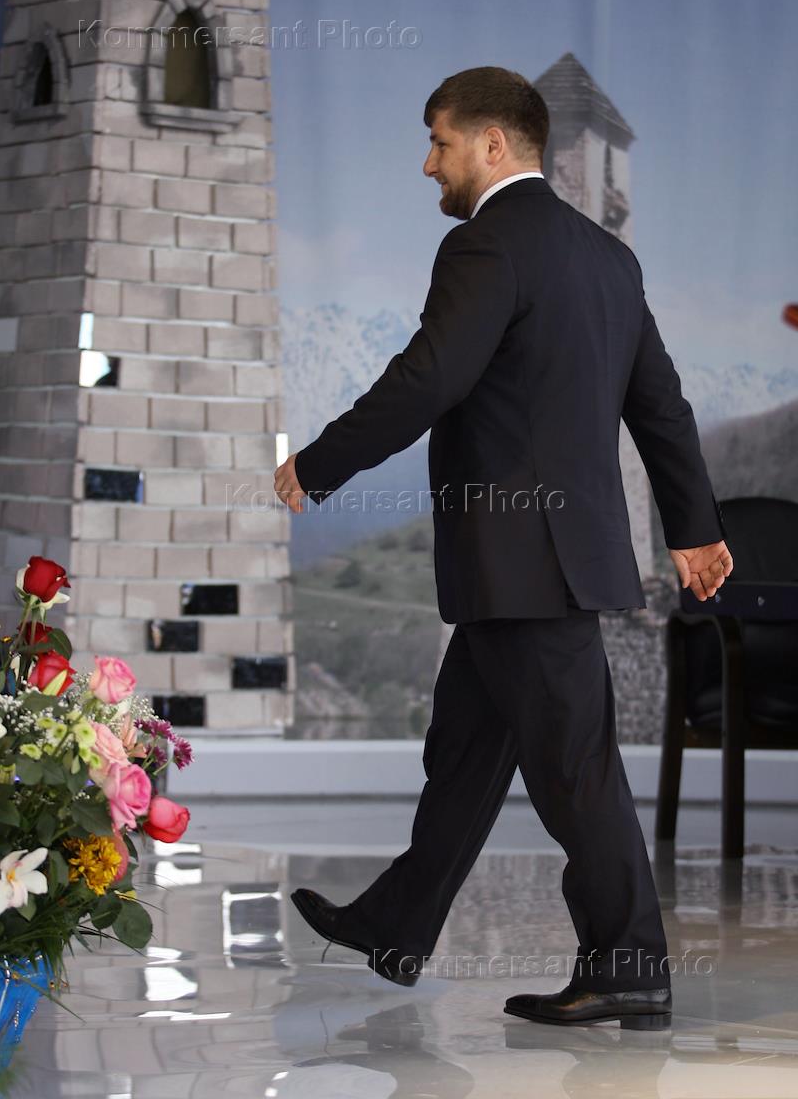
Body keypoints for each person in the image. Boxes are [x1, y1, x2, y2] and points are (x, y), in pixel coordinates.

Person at [273, 66, 733, 1029]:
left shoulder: (484, 244)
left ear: (492, 144)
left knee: (574, 772)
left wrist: (320, 462)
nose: (427, 163)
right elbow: (660, 406)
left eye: (439, 141)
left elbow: (427, 377)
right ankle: (395, 926)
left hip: (523, 562)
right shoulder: (607, 259)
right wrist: (693, 527)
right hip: (536, 563)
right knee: (465, 752)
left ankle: (630, 966)